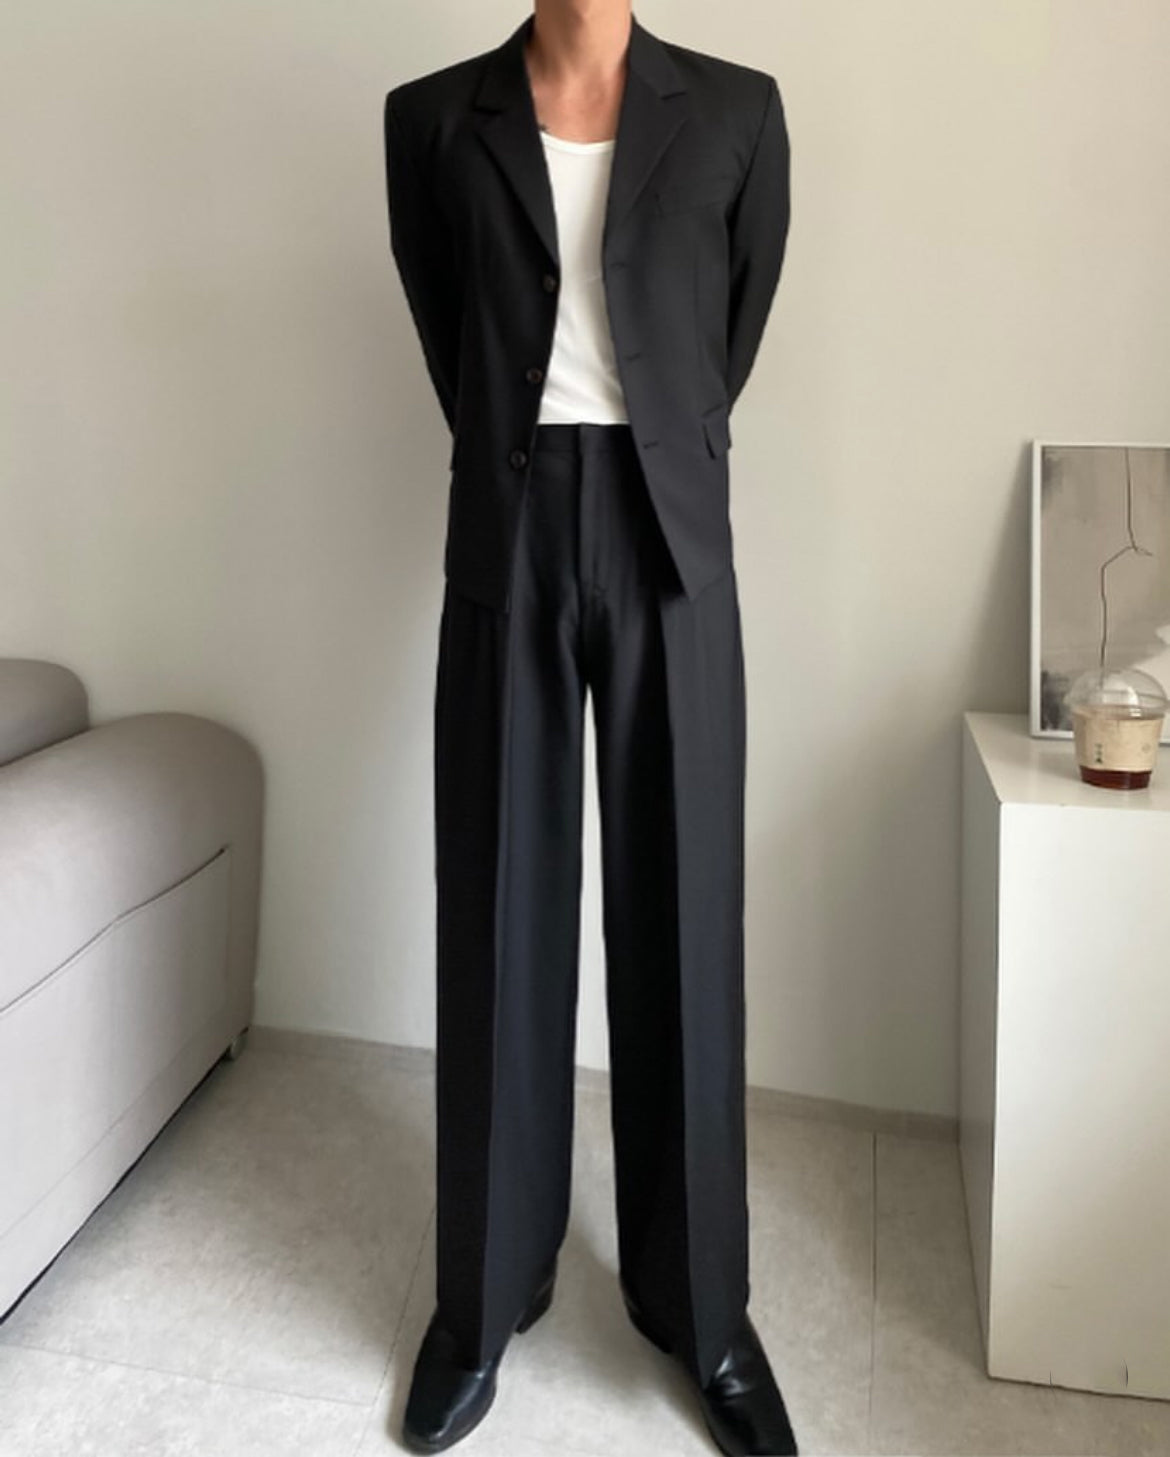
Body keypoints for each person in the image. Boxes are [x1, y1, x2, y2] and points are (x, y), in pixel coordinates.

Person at [383, 3, 793, 1451]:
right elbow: (448, 329)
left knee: (685, 918)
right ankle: (483, 1293)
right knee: (497, 908)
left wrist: (653, 443)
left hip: (672, 538)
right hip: (507, 534)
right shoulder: (432, 119)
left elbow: (730, 329)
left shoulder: (736, 111)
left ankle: (703, 1309)